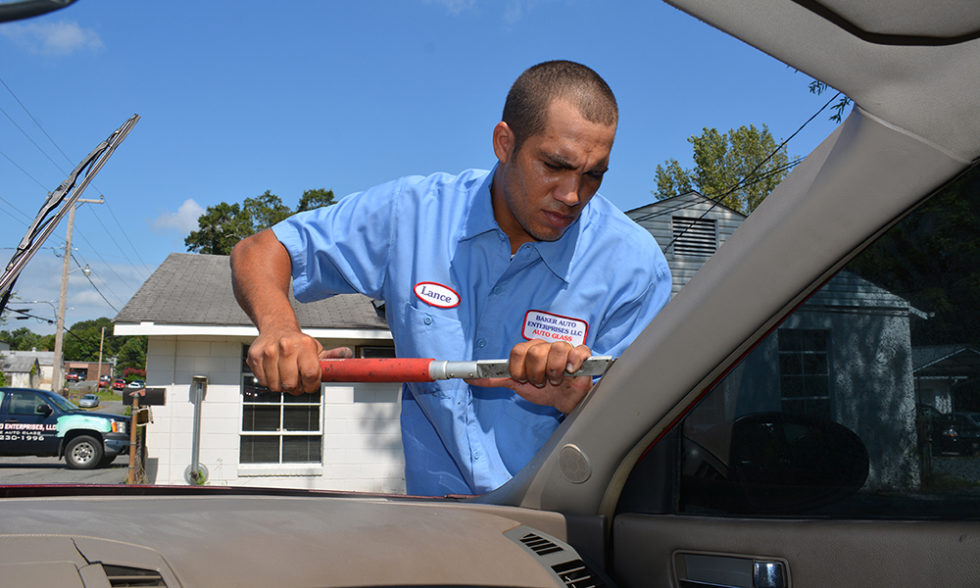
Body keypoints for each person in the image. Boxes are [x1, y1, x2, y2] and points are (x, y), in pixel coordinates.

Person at [230, 60, 672, 496]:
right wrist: (279, 329)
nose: (572, 195)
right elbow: (260, 250)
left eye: (593, 175)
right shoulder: (414, 214)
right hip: (434, 518)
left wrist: (579, 403)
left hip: (556, 520)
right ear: (504, 143)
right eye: (554, 165)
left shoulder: (634, 268)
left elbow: (644, 431)